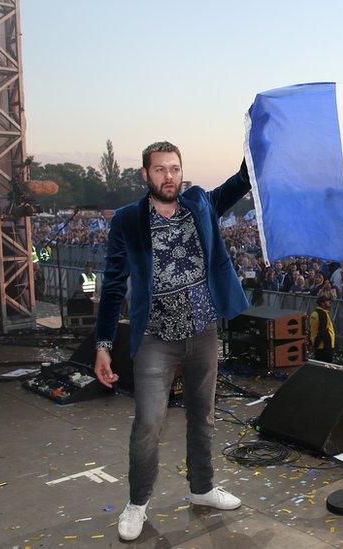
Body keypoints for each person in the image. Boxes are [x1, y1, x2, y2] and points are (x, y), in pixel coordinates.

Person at [93, 142, 251, 541]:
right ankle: (136, 504)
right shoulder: (128, 220)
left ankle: (202, 488)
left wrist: (259, 145)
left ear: (183, 172)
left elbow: (241, 182)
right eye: (160, 169)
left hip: (203, 331)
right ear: (145, 174)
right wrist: (103, 344)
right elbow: (113, 286)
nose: (169, 176)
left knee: (204, 416)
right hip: (154, 339)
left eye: (175, 169)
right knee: (148, 423)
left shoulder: (200, 202)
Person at [309, 295, 336, 362]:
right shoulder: (321, 314)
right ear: (322, 303)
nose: (329, 302)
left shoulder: (319, 313)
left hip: (322, 345)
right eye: (327, 301)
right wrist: (316, 344)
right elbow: (321, 330)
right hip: (324, 345)